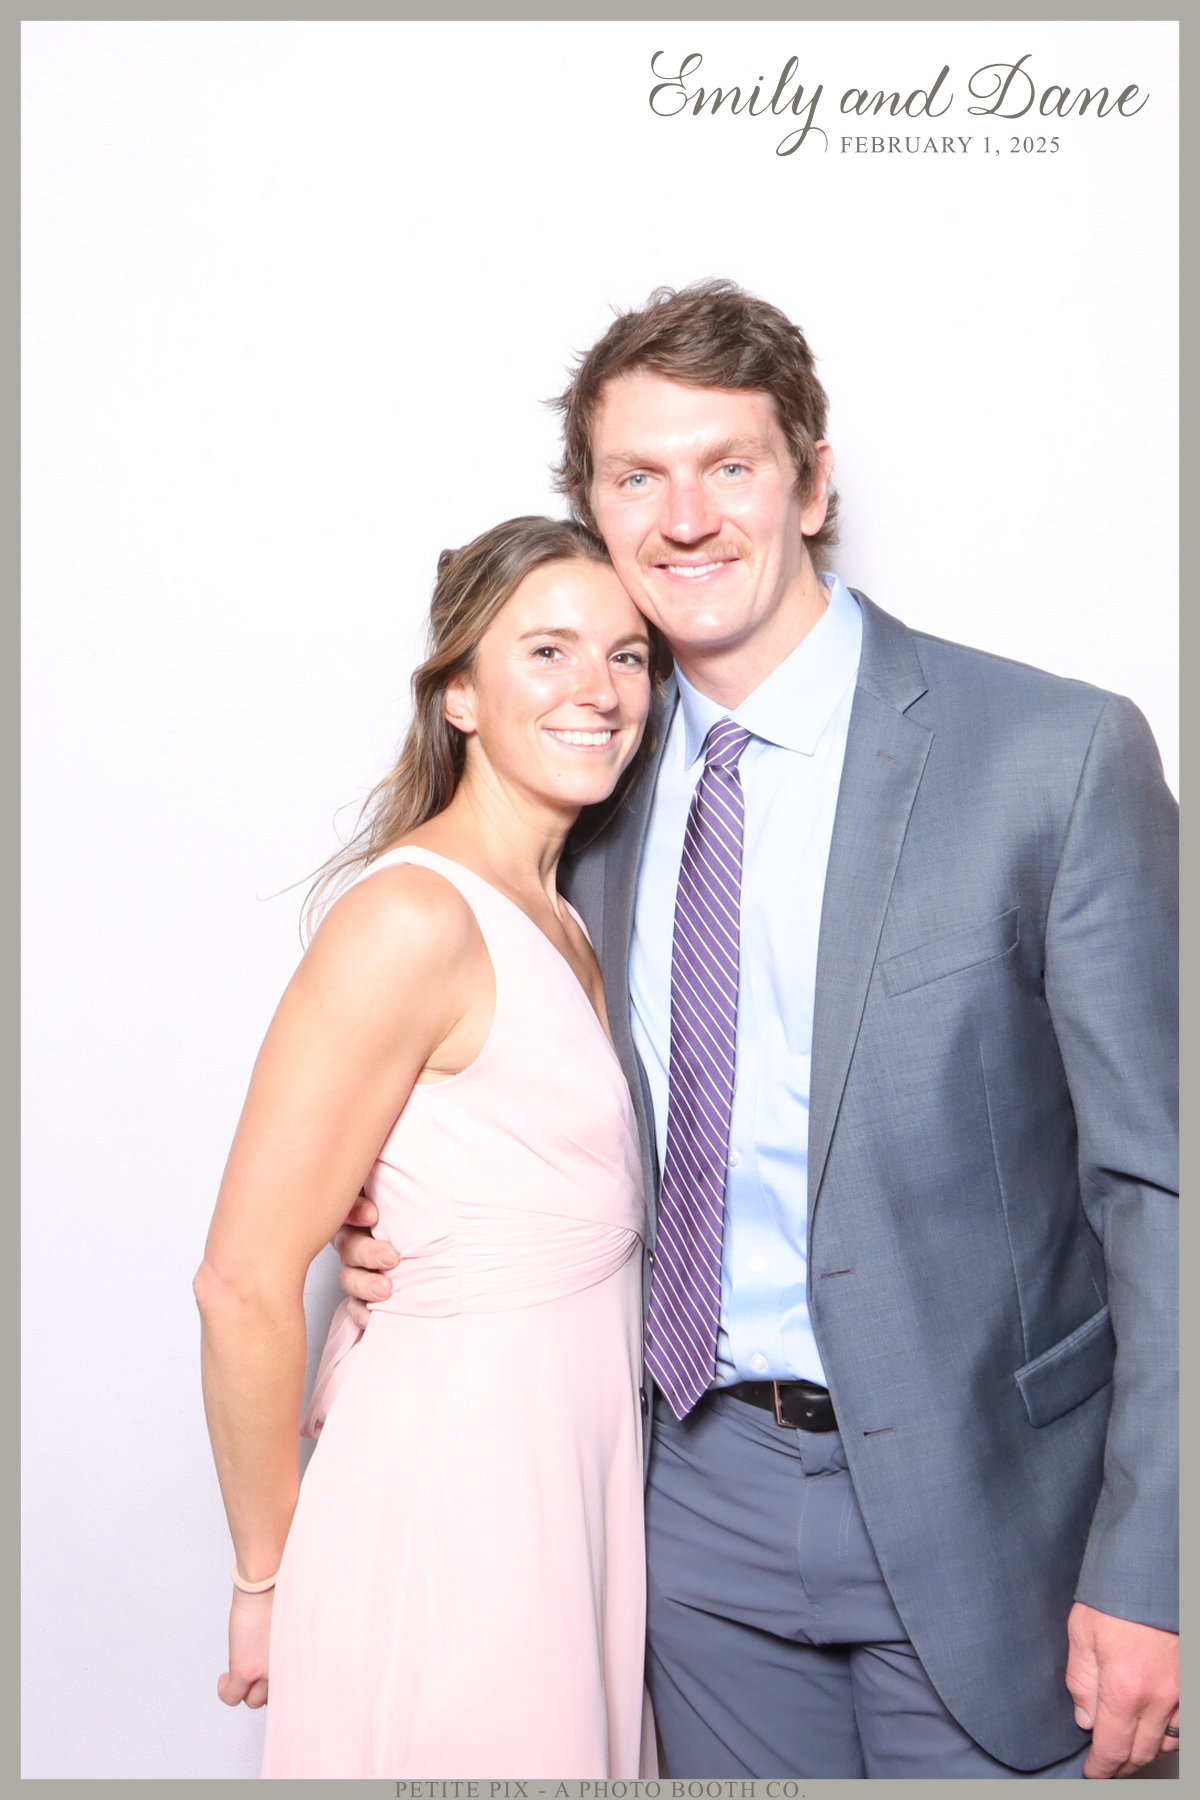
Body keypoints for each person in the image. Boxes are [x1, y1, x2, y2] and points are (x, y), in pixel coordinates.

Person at [336, 282, 1179, 1779]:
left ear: (812, 481)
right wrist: (393, 1205)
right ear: (593, 508)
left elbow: (1160, 1187)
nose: (685, 518)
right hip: (683, 1514)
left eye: (729, 465)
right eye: (636, 477)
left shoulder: (1051, 756)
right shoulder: (584, 778)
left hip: (995, 1524)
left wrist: (1157, 1559)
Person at [194, 515, 669, 1778]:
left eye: (626, 655)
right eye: (548, 651)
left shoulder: (565, 916)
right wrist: (265, 1575)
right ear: (459, 693)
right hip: (458, 1488)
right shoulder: (414, 915)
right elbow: (241, 1279)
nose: (598, 689)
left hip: (568, 1487)